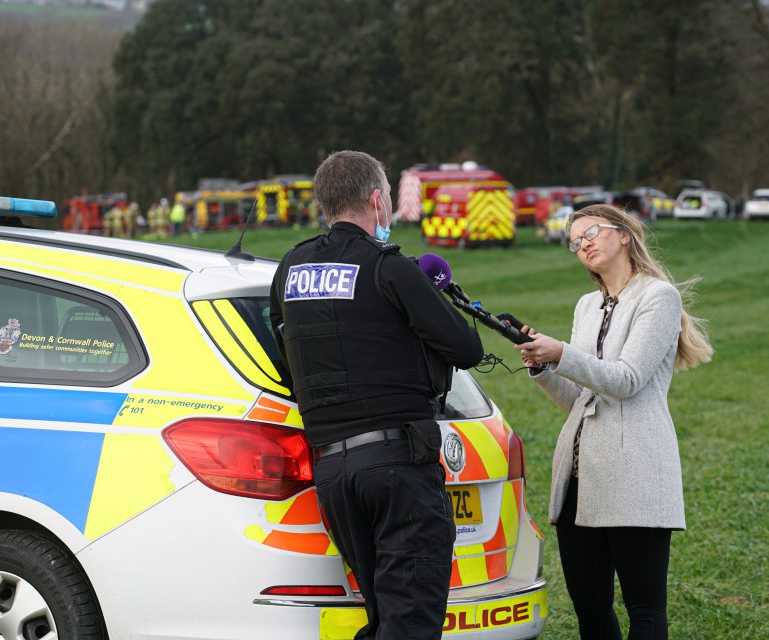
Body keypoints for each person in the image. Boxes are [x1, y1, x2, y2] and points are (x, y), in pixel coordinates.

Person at [270, 150, 484, 640]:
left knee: (386, 616)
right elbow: (466, 348)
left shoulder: (291, 267)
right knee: (410, 620)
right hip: (398, 466)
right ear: (376, 200)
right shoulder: (389, 268)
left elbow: (288, 353)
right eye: (387, 196)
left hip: (333, 474)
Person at [513, 204, 713, 639]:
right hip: (579, 480)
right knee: (591, 612)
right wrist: (544, 368)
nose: (582, 242)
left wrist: (562, 354)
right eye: (574, 240)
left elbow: (626, 381)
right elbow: (582, 399)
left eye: (592, 231)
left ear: (625, 235)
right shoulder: (586, 305)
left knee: (644, 610)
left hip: (635, 471)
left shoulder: (658, 297)